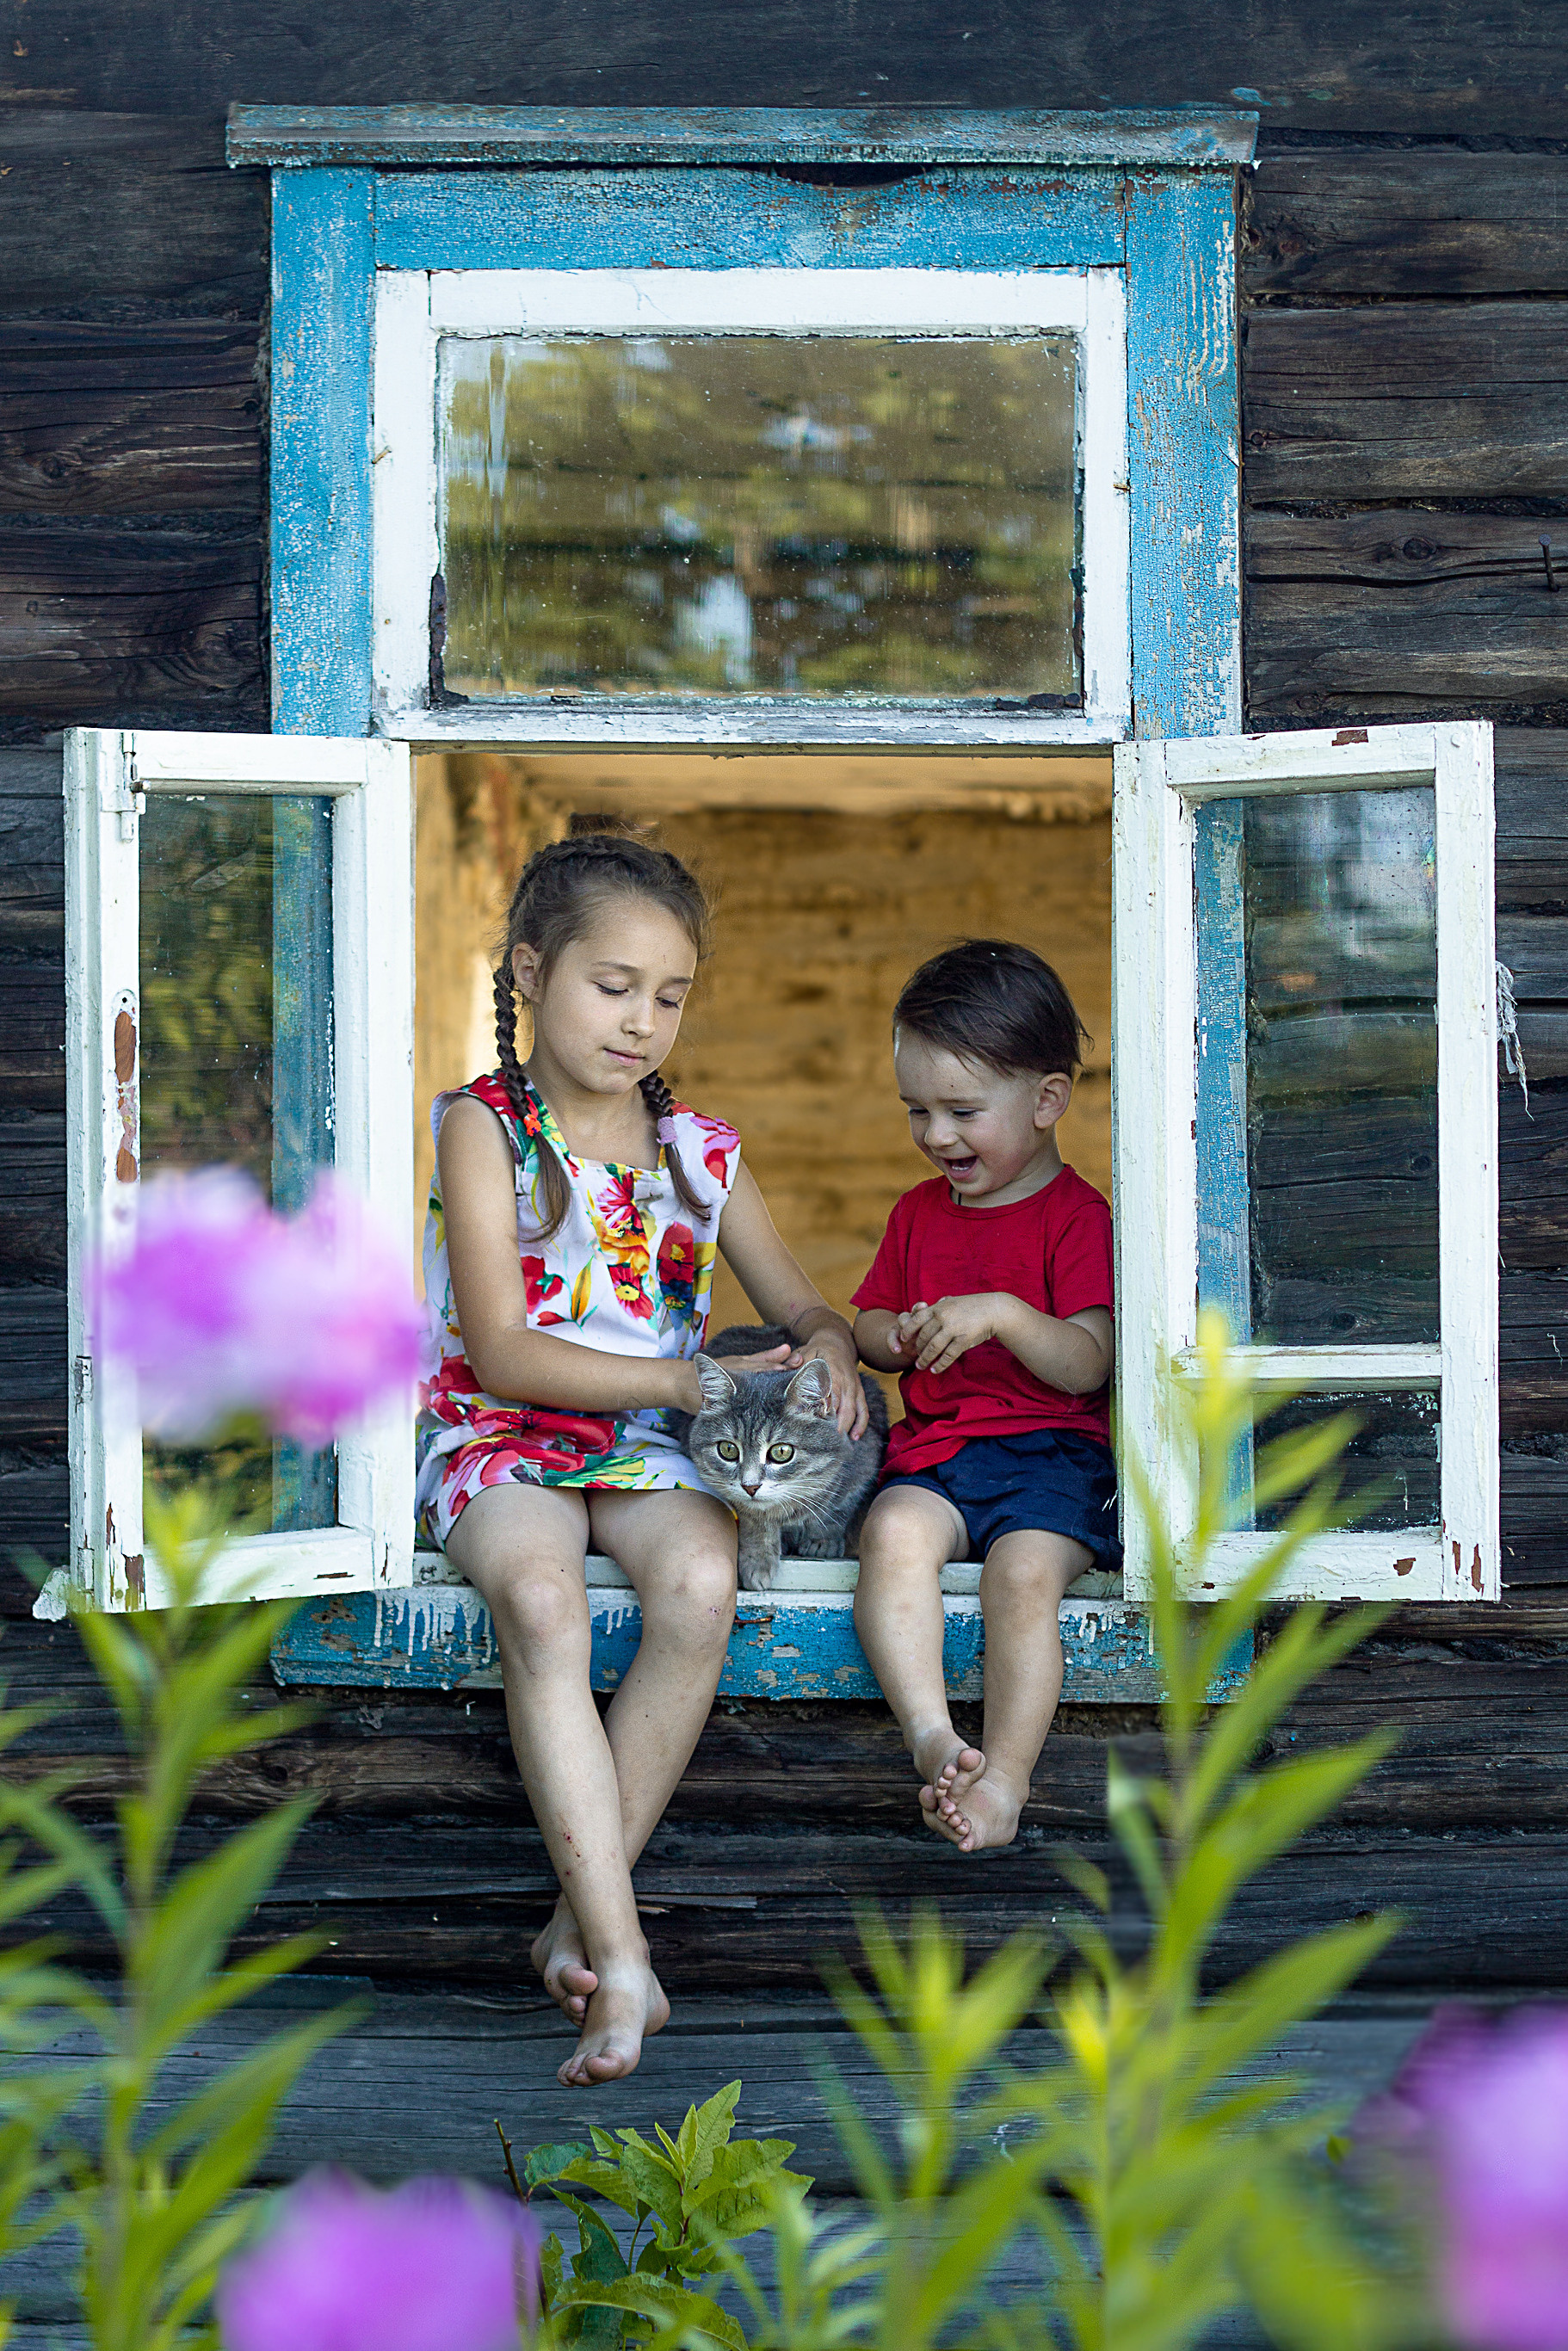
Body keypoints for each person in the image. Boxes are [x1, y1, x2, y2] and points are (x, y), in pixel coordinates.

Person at [419, 833, 866, 2086]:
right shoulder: (482, 1127)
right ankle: (626, 1964)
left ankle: (583, 1921)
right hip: (497, 1435)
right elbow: (504, 1352)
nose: (640, 1022)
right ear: (529, 972)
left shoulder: (703, 1156)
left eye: (668, 997)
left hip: (647, 1449)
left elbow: (803, 1308)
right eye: (612, 986)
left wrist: (826, 1347)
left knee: (698, 1590)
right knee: (543, 1599)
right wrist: (688, 1377)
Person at [851, 939, 1118, 1854]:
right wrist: (889, 1336)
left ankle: (1004, 1773)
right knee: (890, 1536)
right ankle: (932, 1735)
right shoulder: (916, 1213)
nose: (936, 1136)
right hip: (938, 1454)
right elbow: (868, 1323)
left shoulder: (1077, 1218)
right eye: (917, 1110)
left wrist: (1004, 1311)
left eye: (963, 1110)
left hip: (1050, 1458)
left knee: (1021, 1576)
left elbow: (1089, 1362)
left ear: (1046, 1099)